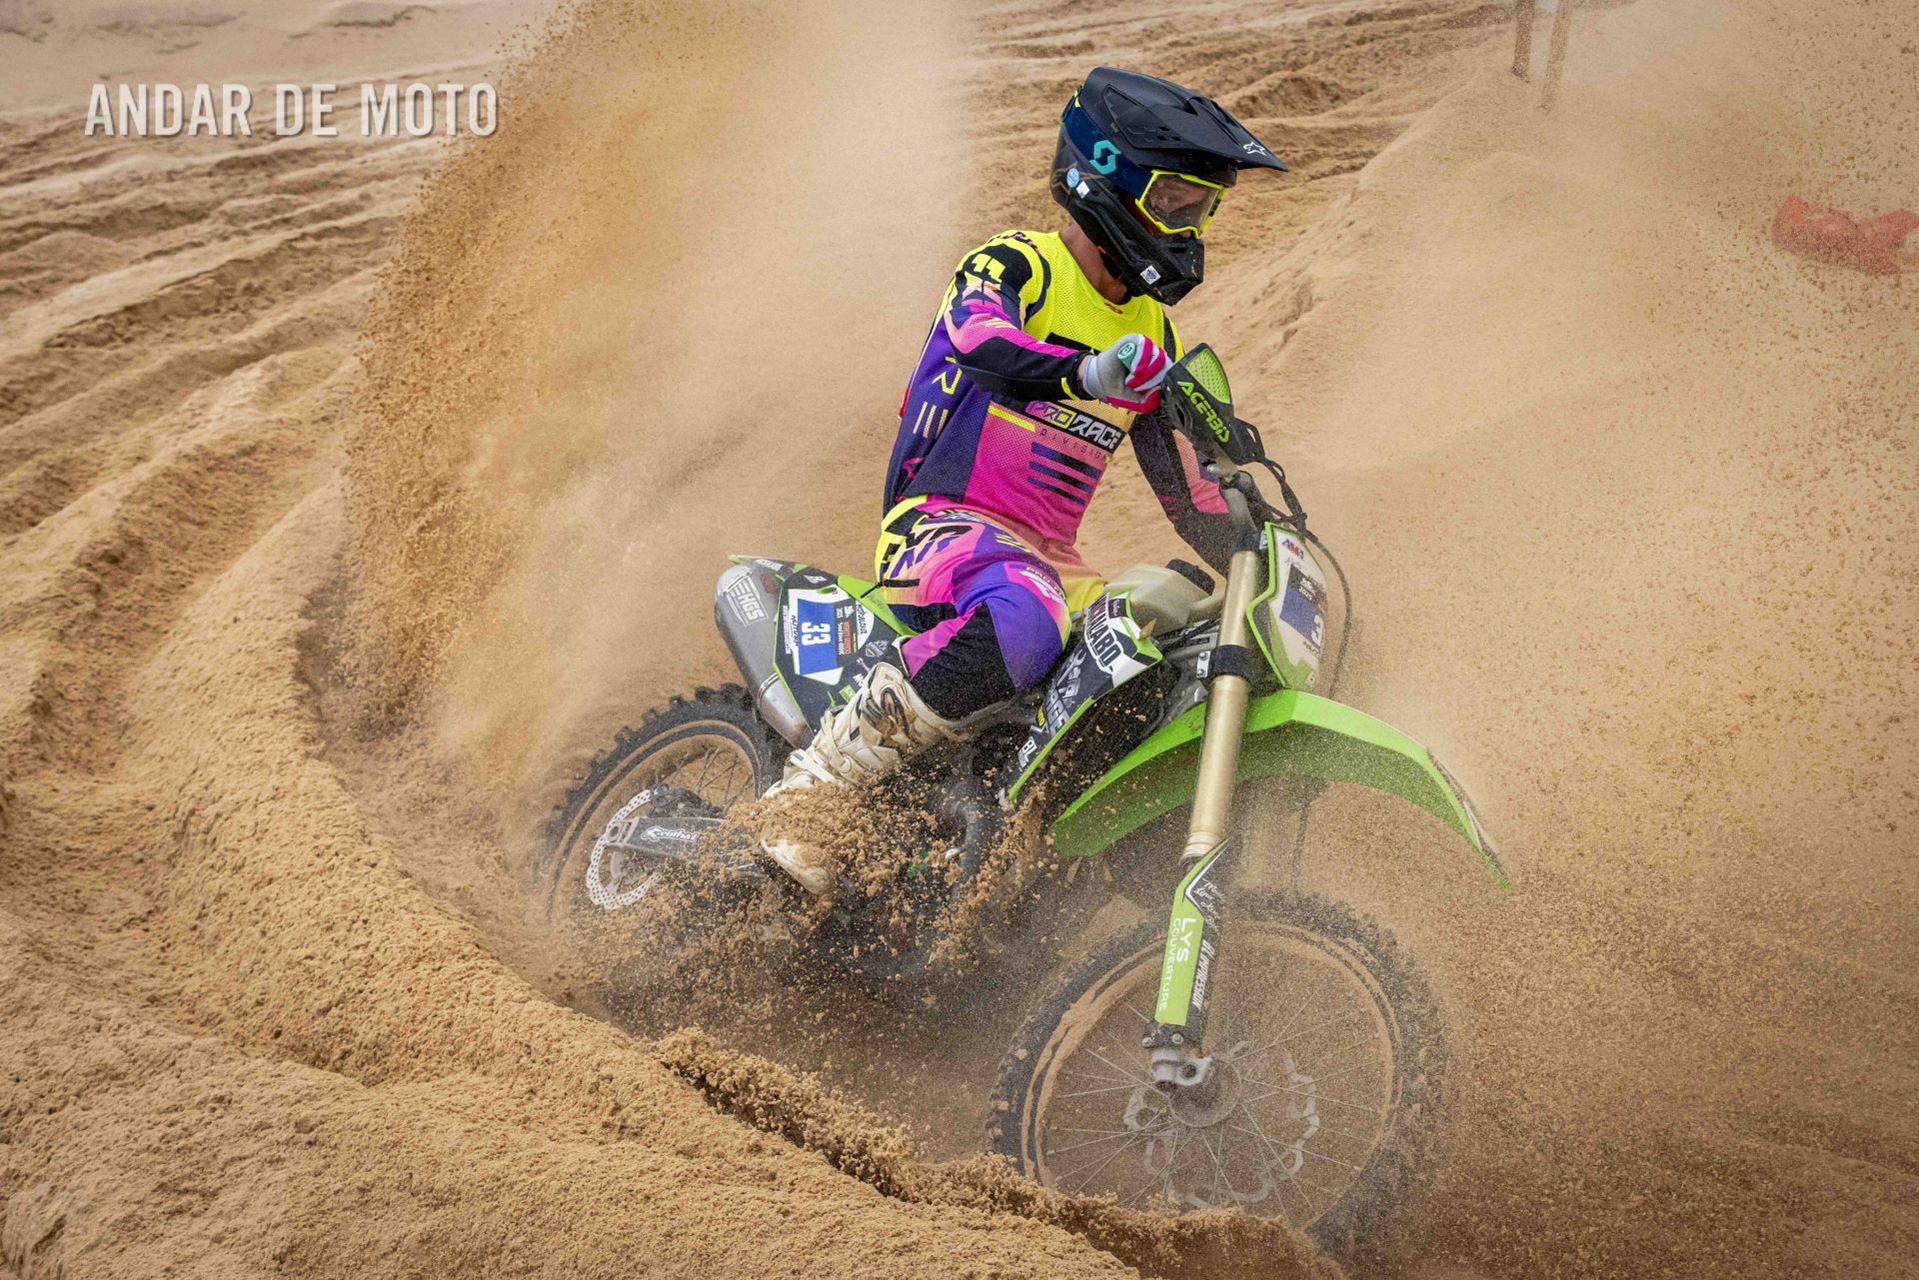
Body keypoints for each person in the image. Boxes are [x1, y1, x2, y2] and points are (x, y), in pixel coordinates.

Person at [764, 67, 1286, 894]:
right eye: (1175, 202)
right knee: (1025, 612)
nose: (1190, 228)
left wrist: (1271, 555)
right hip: (940, 525)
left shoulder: (1152, 331)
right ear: (1107, 175)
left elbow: (1187, 494)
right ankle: (817, 786)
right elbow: (981, 345)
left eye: (1202, 209)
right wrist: (1087, 371)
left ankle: (1017, 860)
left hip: (1046, 561)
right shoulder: (1017, 264)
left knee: (1156, 643)